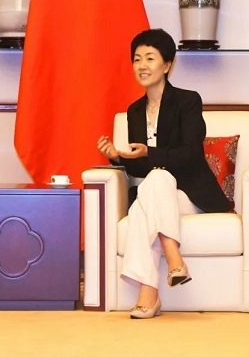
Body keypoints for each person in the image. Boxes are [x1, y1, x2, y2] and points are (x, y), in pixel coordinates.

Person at [96, 28, 229, 319]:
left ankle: (154, 285)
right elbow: (139, 167)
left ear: (167, 65)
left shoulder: (188, 101)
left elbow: (191, 153)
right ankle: (168, 268)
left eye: (150, 58)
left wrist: (149, 153)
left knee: (153, 187)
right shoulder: (134, 111)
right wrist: (117, 156)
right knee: (151, 187)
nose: (142, 65)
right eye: (137, 59)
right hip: (158, 195)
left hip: (191, 195)